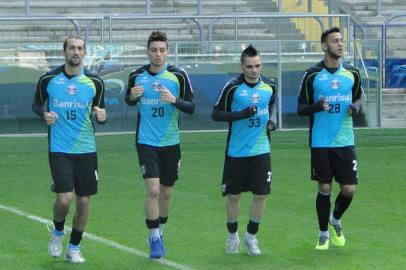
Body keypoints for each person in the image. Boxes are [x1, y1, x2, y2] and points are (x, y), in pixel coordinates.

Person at [32, 36, 107, 263]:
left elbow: (100, 113)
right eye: (72, 48)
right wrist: (44, 114)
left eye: (80, 48)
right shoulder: (48, 79)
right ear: (64, 52)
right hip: (59, 148)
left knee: (84, 202)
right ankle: (57, 232)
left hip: (87, 149)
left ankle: (74, 247)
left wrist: (102, 117)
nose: (76, 52)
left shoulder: (95, 83)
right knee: (64, 200)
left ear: (84, 53)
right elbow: (36, 104)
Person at [125, 31, 194, 259]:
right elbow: (129, 99)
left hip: (171, 142)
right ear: (148, 52)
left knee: (166, 191)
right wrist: (133, 96)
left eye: (162, 50)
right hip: (146, 141)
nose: (158, 54)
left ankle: (161, 231)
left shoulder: (178, 76)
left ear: (168, 52)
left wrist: (174, 100)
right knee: (153, 189)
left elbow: (191, 106)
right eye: (154, 50)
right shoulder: (137, 75)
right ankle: (154, 237)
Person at [297, 27, 362, 250]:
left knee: (349, 189)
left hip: (345, 140)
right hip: (320, 141)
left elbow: (359, 98)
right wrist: (317, 106)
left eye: (342, 40)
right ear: (324, 46)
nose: (340, 44)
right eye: (335, 41)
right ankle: (323, 233)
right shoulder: (312, 75)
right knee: (324, 187)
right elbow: (301, 108)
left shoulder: (352, 73)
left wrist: (355, 106)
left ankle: (335, 219)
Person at [212, 44, 277, 256]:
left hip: (261, 149)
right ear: (242, 66)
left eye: (257, 65)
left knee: (261, 195)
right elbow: (216, 114)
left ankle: (251, 237)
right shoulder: (231, 87)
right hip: (237, 152)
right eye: (249, 66)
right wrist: (242, 114)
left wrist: (272, 122)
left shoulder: (269, 86)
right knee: (234, 197)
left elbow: (272, 107)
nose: (254, 70)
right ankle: (232, 237)